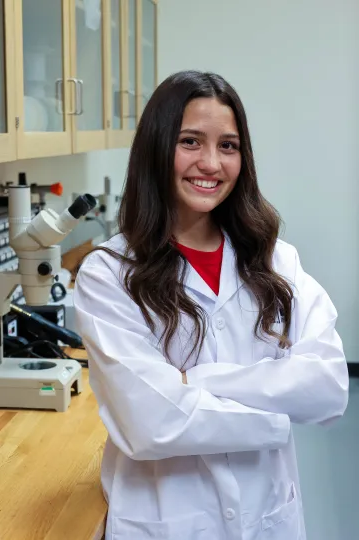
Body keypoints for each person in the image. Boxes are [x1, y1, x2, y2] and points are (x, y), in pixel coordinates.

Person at [73, 70, 349, 540]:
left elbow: (327, 388)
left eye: (228, 146)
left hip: (267, 515)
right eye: (190, 141)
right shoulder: (109, 273)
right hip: (166, 520)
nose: (211, 163)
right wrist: (278, 413)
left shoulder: (277, 260)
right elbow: (151, 423)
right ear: (157, 149)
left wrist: (193, 382)